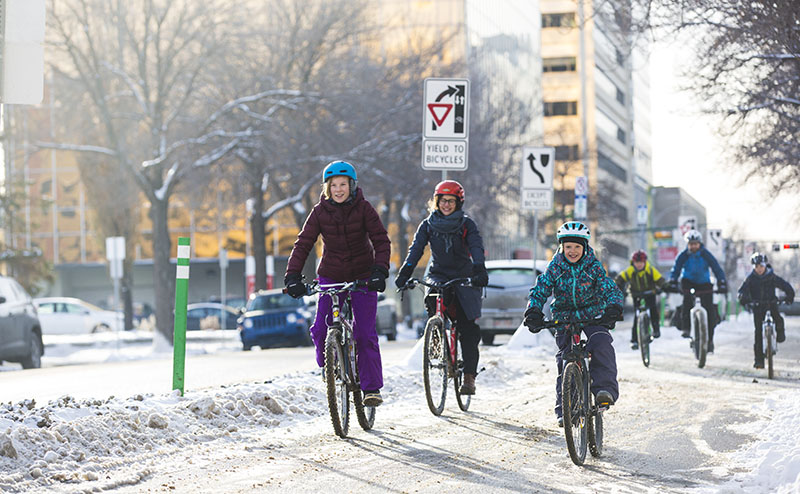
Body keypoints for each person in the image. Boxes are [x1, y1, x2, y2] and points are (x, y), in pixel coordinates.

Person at [284, 161, 391, 407]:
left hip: (363, 276)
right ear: (327, 188)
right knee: (321, 329)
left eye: (343, 184)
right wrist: (292, 276)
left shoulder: (364, 209)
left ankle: (371, 388)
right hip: (331, 274)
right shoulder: (319, 212)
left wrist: (379, 271)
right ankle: (331, 369)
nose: (339, 190)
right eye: (334, 185)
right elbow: (303, 244)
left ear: (351, 186)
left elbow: (381, 241)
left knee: (364, 333)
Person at [523, 221, 623, 427]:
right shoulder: (555, 267)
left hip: (593, 315)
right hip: (565, 317)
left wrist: (613, 306)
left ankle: (604, 390)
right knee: (565, 358)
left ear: (585, 247)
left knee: (601, 343)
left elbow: (609, 288)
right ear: (561, 247)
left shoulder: (592, 267)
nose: (573, 251)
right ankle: (565, 408)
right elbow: (540, 288)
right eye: (568, 247)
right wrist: (533, 310)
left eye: (577, 247)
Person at [394, 180, 488, 395]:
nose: (446, 205)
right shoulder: (428, 224)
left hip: (463, 276)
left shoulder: (466, 224)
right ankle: (437, 341)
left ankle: (469, 377)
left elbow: (476, 247)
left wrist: (479, 270)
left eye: (451, 201)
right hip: (438, 274)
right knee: (433, 307)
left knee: (468, 329)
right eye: (443, 200)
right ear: (436, 202)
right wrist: (405, 273)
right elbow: (416, 249)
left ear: (458, 203)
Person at [666, 229, 727, 353]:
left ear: (699, 243)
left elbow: (716, 268)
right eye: (691, 244)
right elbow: (676, 269)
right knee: (687, 303)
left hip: (704, 283)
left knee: (710, 311)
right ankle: (686, 328)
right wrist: (673, 280)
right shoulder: (683, 255)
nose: (693, 246)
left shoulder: (706, 254)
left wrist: (721, 282)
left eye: (695, 244)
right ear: (688, 244)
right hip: (688, 282)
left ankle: (709, 341)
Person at [737, 252, 794, 369]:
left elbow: (784, 285)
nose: (759, 269)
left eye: (761, 266)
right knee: (758, 332)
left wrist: (789, 295)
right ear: (754, 267)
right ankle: (759, 360)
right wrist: (744, 299)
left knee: (778, 318)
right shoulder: (750, 279)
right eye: (757, 267)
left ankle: (780, 334)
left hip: (771, 303)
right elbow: (742, 291)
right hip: (758, 306)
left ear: (765, 266)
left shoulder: (771, 277)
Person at [614, 250, 667, 349]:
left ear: (645, 262)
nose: (639, 265)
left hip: (650, 293)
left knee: (653, 310)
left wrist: (664, 286)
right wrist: (618, 287)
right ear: (633, 263)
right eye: (636, 262)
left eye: (641, 262)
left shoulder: (650, 270)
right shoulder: (630, 270)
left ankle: (656, 329)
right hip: (636, 295)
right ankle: (634, 340)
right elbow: (619, 279)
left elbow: (660, 280)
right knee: (636, 316)